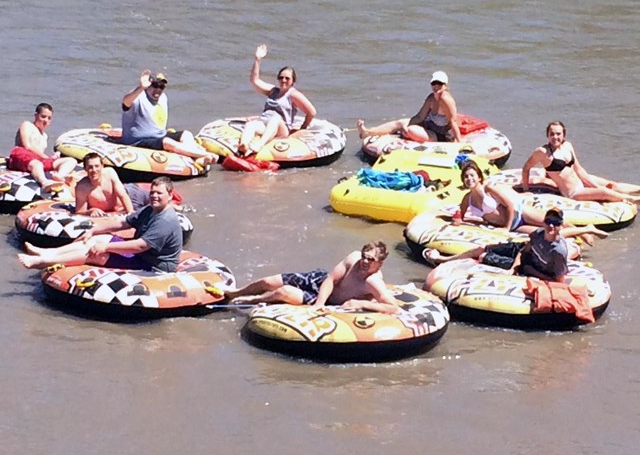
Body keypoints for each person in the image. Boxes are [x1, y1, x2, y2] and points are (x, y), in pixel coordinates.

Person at [19, 176, 182, 273]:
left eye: (159, 193)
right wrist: (94, 230)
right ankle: (47, 253)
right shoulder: (149, 209)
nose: (154, 196)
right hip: (142, 255)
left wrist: (106, 248)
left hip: (153, 265)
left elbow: (140, 246)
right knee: (98, 239)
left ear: (169, 196)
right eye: (152, 192)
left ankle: (41, 263)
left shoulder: (166, 220)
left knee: (97, 253)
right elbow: (122, 222)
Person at [456, 159, 609, 243]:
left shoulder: (488, 188)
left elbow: (509, 205)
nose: (469, 179)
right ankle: (586, 230)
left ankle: (583, 231)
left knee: (554, 223)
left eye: (472, 175)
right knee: (546, 234)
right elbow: (460, 217)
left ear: (479, 176)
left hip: (519, 214)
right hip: (515, 227)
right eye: (466, 177)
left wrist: (506, 228)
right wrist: (459, 222)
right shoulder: (466, 200)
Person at [224, 241, 399, 313]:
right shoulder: (353, 258)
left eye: (371, 260)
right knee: (268, 282)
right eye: (364, 257)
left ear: (380, 264)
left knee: (283, 292)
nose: (365, 262)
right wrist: (319, 304)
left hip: (333, 302)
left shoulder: (373, 282)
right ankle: (235, 293)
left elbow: (393, 308)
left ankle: (253, 300)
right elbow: (331, 279)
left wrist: (360, 303)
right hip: (321, 282)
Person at [424, 208, 571, 282]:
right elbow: (524, 250)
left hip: (531, 266)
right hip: (521, 253)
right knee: (483, 248)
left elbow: (558, 280)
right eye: (548, 221)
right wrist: (514, 267)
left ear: (560, 225)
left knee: (483, 256)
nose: (551, 225)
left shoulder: (558, 251)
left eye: (556, 223)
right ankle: (442, 259)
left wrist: (528, 271)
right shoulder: (538, 233)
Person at [522, 121, 640, 204]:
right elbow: (526, 168)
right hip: (573, 192)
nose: (555, 137)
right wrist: (526, 190)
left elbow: (578, 169)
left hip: (580, 180)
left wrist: (593, 185)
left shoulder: (568, 146)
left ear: (564, 135)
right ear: (547, 135)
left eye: (558, 134)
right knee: (604, 192)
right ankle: (632, 199)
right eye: (552, 134)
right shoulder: (542, 152)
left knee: (611, 185)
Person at [237, 44, 317, 157]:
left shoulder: (293, 95)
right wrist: (257, 59)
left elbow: (311, 112)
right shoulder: (272, 91)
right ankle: (243, 146)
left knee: (275, 119)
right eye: (281, 77)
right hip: (265, 124)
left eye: (287, 78)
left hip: (281, 128)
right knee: (251, 124)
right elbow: (254, 80)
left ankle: (258, 145)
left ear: (293, 81)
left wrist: (303, 128)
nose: (283, 80)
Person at [121, 70, 214, 165]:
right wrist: (141, 87)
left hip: (159, 135)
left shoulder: (163, 97)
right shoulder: (138, 97)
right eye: (155, 85)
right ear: (148, 85)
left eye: (161, 87)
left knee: (186, 134)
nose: (158, 89)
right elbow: (126, 102)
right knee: (167, 142)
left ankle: (196, 158)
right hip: (139, 140)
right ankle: (205, 155)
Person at [357, 71, 461, 143]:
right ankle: (367, 132)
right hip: (429, 126)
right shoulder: (431, 98)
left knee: (410, 130)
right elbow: (420, 117)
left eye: (440, 84)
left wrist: (459, 143)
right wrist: (408, 124)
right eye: (434, 83)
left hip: (440, 135)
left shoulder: (446, 100)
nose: (436, 86)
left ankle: (408, 132)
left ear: (446, 86)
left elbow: (453, 122)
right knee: (400, 123)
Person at [8, 103, 77, 191]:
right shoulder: (27, 125)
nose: (46, 120)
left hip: (37, 159)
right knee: (37, 163)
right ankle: (44, 182)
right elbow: (27, 145)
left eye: (49, 118)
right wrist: (45, 157)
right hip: (21, 156)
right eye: (43, 116)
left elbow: (40, 154)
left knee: (71, 160)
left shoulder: (44, 136)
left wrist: (52, 158)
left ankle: (59, 176)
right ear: (36, 115)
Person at [74, 153, 134, 217]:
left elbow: (123, 195)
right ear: (85, 168)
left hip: (132, 199)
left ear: (102, 166)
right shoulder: (82, 187)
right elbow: (79, 211)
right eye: (90, 167)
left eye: (97, 166)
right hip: (110, 215)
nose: (94, 170)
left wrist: (131, 213)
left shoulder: (110, 173)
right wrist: (91, 210)